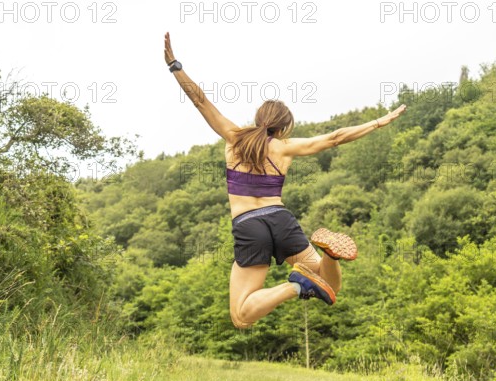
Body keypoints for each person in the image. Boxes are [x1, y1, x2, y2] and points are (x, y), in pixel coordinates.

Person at [164, 32, 406, 329]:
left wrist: (175, 66)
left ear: (258, 118)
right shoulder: (285, 147)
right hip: (280, 219)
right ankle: (329, 256)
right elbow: (335, 138)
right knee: (328, 283)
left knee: (241, 316)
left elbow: (200, 102)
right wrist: (379, 121)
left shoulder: (233, 136)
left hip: (250, 225)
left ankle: (295, 287)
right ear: (284, 127)